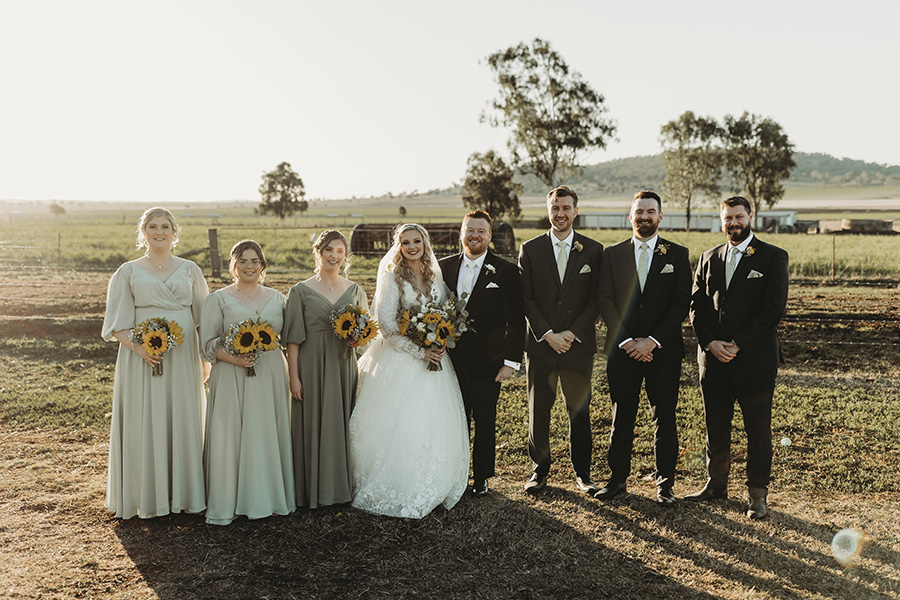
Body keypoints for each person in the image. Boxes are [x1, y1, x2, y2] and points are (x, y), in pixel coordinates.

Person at [349, 223, 469, 518]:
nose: (412, 246)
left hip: (436, 360)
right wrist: (419, 349)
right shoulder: (392, 276)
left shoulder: (434, 274)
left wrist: (440, 339)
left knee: (433, 421)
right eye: (405, 242)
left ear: (425, 243)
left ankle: (435, 480)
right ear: (398, 246)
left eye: (417, 241)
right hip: (400, 358)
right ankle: (399, 481)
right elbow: (387, 325)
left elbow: (444, 311)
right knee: (400, 423)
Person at [685, 196, 789, 520]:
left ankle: (757, 495)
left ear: (750, 216)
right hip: (713, 360)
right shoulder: (708, 257)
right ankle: (715, 485)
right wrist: (710, 342)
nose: (733, 223)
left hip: (755, 361)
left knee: (757, 429)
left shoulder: (773, 257)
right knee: (716, 426)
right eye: (727, 217)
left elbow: (773, 309)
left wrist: (737, 344)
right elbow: (696, 307)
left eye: (739, 217)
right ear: (721, 219)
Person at [101, 207, 208, 519]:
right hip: (142, 359)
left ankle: (184, 495)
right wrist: (140, 349)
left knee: (183, 417)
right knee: (144, 418)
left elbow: (204, 320)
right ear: (143, 232)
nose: (159, 231)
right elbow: (116, 324)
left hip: (184, 357)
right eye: (152, 226)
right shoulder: (128, 272)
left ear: (175, 233)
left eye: (165, 226)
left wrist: (205, 360)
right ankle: (148, 496)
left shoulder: (190, 270)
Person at [595, 191, 691, 505]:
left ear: (660, 217)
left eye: (651, 211)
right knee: (621, 416)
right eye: (639, 211)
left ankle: (665, 484)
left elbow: (680, 303)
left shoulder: (676, 254)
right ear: (631, 216)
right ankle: (617, 479)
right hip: (622, 350)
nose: (644, 216)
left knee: (664, 416)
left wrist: (651, 341)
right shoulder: (612, 254)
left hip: (662, 351)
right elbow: (605, 301)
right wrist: (626, 340)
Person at [199, 240, 294, 524]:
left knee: (266, 431)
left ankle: (268, 498)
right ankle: (229, 500)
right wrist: (234, 357)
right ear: (233, 265)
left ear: (263, 266)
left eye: (255, 261)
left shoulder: (279, 299)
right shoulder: (217, 299)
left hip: (270, 374)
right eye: (243, 261)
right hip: (231, 376)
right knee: (232, 434)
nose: (249, 266)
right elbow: (205, 344)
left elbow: (289, 340)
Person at [518, 186, 603, 495]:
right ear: (548, 209)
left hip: (577, 347)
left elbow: (596, 299)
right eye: (555, 208)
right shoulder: (530, 248)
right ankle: (539, 470)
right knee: (538, 409)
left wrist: (572, 334)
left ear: (575, 211)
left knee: (578, 410)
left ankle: (583, 473)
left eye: (566, 208)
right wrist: (548, 334)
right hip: (540, 345)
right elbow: (525, 298)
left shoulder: (593, 250)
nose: (560, 213)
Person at [438, 210, 525, 497]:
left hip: (489, 363)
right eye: (470, 230)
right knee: (453, 420)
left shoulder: (507, 271)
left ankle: (482, 477)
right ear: (461, 233)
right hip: (449, 362)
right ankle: (456, 473)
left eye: (481, 231)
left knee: (486, 421)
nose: (475, 235)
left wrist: (511, 361)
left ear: (489, 235)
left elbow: (516, 318)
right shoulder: (442, 268)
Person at [284, 230, 369, 509]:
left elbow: (366, 332)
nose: (334, 256)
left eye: (340, 251)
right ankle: (311, 491)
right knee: (312, 424)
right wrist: (293, 378)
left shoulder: (355, 290)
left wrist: (358, 338)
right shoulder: (300, 290)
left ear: (346, 257)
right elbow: (293, 339)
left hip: (343, 364)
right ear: (318, 253)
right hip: (310, 366)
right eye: (329, 250)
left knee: (341, 424)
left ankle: (339, 488)